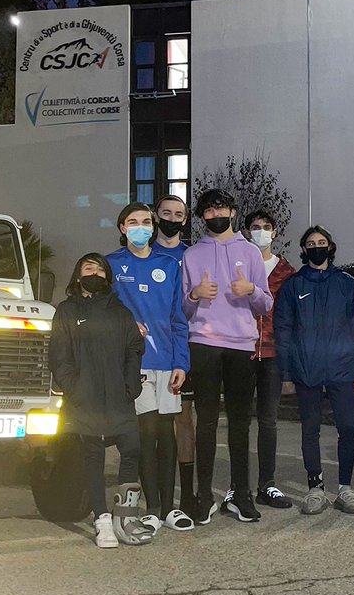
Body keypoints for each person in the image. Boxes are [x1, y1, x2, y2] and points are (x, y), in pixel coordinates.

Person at [181, 189, 273, 523]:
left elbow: (266, 304)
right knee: (205, 422)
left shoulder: (250, 253)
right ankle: (203, 495)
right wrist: (195, 294)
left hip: (241, 344)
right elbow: (184, 309)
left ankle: (241, 494)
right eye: (207, 210)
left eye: (220, 208)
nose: (214, 214)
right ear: (201, 216)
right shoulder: (192, 255)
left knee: (239, 423)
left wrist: (251, 291)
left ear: (232, 211)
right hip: (203, 343)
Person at [50, 253, 153, 548]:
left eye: (100, 269)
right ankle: (102, 520)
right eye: (88, 267)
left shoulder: (120, 312)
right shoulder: (67, 311)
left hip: (119, 395)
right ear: (77, 275)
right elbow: (59, 355)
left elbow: (134, 347)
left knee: (132, 448)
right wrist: (73, 387)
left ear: (108, 278)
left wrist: (131, 384)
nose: (94, 272)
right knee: (93, 456)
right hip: (85, 396)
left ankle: (126, 517)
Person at [107, 203, 194, 532]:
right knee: (145, 433)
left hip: (167, 364)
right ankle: (153, 509)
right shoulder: (112, 265)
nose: (141, 227)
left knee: (167, 435)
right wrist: (127, 325)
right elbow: (106, 312)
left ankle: (170, 508)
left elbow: (178, 320)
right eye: (134, 222)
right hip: (136, 364)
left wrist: (181, 363)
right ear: (122, 227)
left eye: (146, 222)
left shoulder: (168, 265)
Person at [273, 226, 354, 515]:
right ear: (304, 249)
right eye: (311, 243)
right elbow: (283, 330)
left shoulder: (346, 283)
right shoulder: (293, 285)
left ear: (330, 246)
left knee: (347, 428)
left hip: (341, 368)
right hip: (306, 368)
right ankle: (316, 488)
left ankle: (345, 490)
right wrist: (286, 373)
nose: (316, 247)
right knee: (310, 430)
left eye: (321, 242)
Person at [242, 209, 297, 510]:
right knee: (239, 421)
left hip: (273, 355)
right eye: (255, 227)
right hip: (242, 351)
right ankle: (237, 488)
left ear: (274, 233)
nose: (261, 231)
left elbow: (291, 319)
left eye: (266, 227)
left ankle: (267, 484)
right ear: (247, 231)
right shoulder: (238, 267)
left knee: (268, 421)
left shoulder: (287, 273)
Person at [151, 194, 197, 515]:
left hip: (187, 346)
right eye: (165, 212)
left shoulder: (193, 255)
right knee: (151, 423)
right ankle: (154, 495)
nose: (171, 218)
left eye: (177, 213)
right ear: (155, 215)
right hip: (151, 351)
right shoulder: (141, 253)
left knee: (184, 420)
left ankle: (187, 494)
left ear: (185, 218)